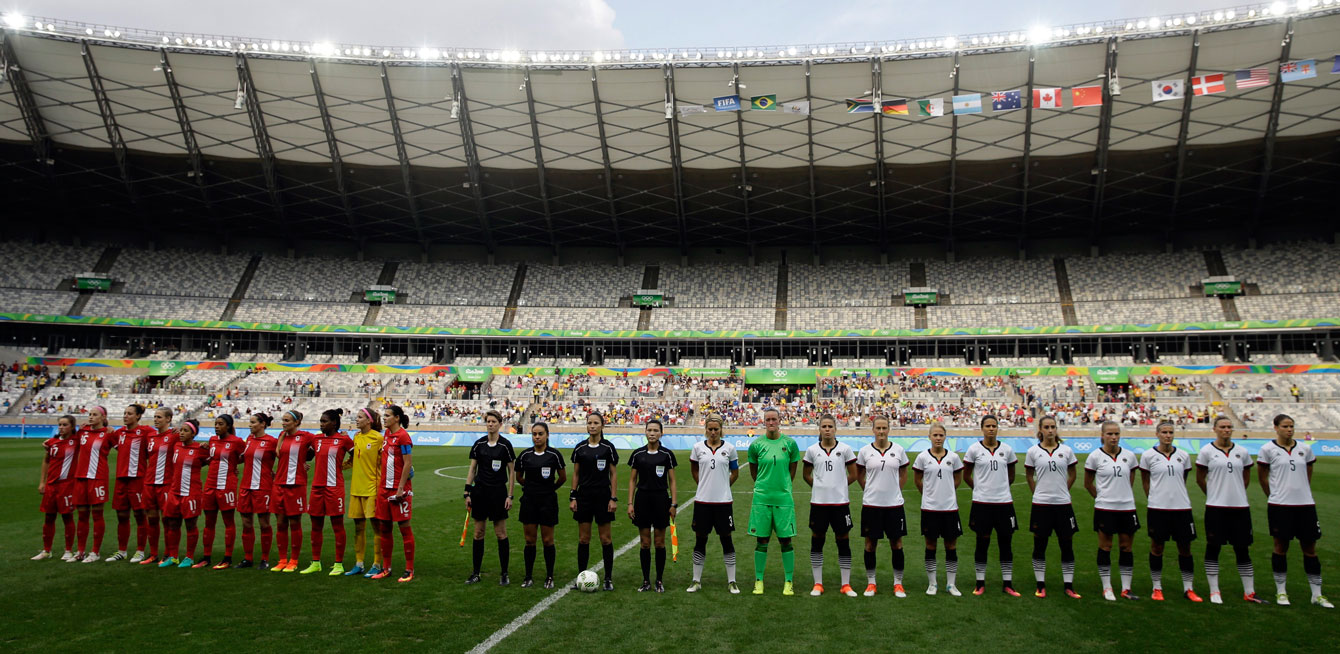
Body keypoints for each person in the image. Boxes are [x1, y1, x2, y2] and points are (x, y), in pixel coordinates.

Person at [1257, 413, 1331, 608]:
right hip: (1280, 507)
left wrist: (1302, 492)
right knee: (1281, 547)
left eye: (1291, 426)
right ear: (1276, 427)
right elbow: (1262, 477)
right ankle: (1281, 592)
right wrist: (1273, 497)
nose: (1289, 429)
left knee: (1310, 549)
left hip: (1305, 506)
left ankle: (1317, 594)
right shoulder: (1267, 449)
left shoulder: (1305, 449)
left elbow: (1308, 473)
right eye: (1285, 426)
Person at [1196, 416, 1264, 604]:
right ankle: (1214, 590)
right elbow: (1200, 478)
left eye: (1229, 427)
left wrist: (1238, 493)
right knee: (1213, 547)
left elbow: (1246, 476)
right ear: (1215, 429)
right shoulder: (1206, 451)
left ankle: (1249, 591)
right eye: (1223, 427)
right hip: (1216, 508)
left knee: (1242, 549)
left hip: (1240, 508)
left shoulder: (1242, 451)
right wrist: (1213, 495)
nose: (1226, 430)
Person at [1138, 420, 1202, 602]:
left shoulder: (1183, 455)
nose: (1168, 435)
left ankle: (1189, 588)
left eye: (1170, 432)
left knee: (1185, 548)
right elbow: (1145, 481)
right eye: (1164, 432)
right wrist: (1153, 498)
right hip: (1158, 508)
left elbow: (1184, 477)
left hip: (1182, 508)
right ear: (1157, 434)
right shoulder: (1148, 456)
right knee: (1157, 547)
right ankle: (1157, 587)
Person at [1024, 415, 1081, 599]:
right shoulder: (1033, 451)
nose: (1050, 430)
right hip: (1041, 505)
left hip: (1063, 505)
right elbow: (1029, 475)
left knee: (1067, 544)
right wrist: (1037, 493)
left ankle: (1069, 585)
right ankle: (1040, 585)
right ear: (1040, 429)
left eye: (1053, 427)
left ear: (1056, 429)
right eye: (1046, 427)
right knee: (1040, 544)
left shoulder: (1066, 450)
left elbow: (1073, 474)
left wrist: (1064, 489)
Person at [747, 407, 802, 596]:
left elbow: (792, 470)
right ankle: (759, 580)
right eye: (768, 419)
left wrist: (783, 486)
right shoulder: (756, 445)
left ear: (780, 421)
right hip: (762, 499)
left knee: (785, 541)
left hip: (783, 499)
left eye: (774, 419)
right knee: (761, 540)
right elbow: (754, 472)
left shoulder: (790, 444)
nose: (771, 422)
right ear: (764, 421)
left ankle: (788, 581)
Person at [962, 414, 1020, 596]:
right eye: (987, 425)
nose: (991, 429)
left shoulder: (1007, 450)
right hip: (982, 504)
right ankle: (980, 582)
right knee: (982, 542)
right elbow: (966, 475)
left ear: (997, 428)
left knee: (1006, 543)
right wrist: (979, 489)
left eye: (994, 425)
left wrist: (1001, 489)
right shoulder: (973, 450)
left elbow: (1011, 475)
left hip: (1004, 503)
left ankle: (1008, 583)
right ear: (982, 428)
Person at [1084, 420, 1141, 601]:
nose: (1113, 437)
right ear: (1102, 435)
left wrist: (1123, 495)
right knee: (1106, 546)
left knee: (1126, 547)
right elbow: (1088, 483)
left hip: (1127, 508)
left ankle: (1126, 588)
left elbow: (1131, 477)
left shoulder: (1130, 456)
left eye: (1116, 434)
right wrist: (1102, 498)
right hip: (1105, 508)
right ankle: (1107, 587)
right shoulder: (1095, 456)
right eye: (1109, 434)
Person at [802, 414, 857, 597]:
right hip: (819, 505)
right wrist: (819, 487)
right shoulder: (811, 450)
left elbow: (854, 474)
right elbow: (806, 474)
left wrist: (839, 487)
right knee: (817, 540)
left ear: (835, 429)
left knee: (843, 540)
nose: (827, 429)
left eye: (830, 426)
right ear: (819, 429)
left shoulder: (846, 449)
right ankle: (818, 583)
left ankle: (846, 584)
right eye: (824, 426)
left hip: (840, 504)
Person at [856, 414, 910, 597]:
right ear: (873, 430)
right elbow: (859, 474)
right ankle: (871, 583)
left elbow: (904, 473)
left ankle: (898, 583)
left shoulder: (899, 450)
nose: (881, 431)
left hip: (894, 506)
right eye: (877, 428)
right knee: (870, 544)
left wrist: (896, 491)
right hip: (872, 506)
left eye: (884, 428)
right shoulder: (864, 451)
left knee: (897, 543)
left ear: (888, 429)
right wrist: (870, 490)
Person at [687, 414, 740, 594]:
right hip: (702, 502)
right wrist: (703, 485)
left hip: (723, 503)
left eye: (716, 429)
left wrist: (724, 486)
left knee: (726, 539)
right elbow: (694, 469)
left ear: (721, 430)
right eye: (710, 429)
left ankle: (732, 581)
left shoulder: (730, 448)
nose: (713, 432)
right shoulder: (697, 448)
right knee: (700, 539)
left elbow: (735, 472)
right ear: (706, 429)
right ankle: (696, 580)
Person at [464, 410, 517, 585]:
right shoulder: (479, 444)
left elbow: (511, 472)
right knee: (478, 533)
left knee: (500, 533)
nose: (491, 424)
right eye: (488, 421)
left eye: (494, 421)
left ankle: (504, 573)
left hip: (498, 493)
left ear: (500, 424)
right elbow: (472, 469)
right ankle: (476, 572)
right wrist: (467, 492)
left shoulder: (505, 445)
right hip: (480, 492)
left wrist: (510, 495)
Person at [913, 422, 964, 596]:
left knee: (951, 545)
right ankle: (932, 583)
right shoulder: (922, 458)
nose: (938, 438)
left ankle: (951, 584)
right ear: (929, 437)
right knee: (930, 545)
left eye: (941, 435)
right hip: (930, 509)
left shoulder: (954, 457)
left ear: (945, 437)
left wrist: (948, 492)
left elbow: (958, 478)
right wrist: (929, 494)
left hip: (950, 509)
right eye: (934, 435)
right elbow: (918, 480)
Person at [628, 419, 679, 592]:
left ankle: (659, 580)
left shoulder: (667, 455)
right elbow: (632, 480)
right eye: (649, 430)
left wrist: (673, 503)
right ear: (645, 432)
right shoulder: (637, 454)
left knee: (659, 542)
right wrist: (630, 503)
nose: (652, 433)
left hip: (661, 500)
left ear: (661, 433)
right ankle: (645, 581)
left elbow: (672, 480)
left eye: (656, 430)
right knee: (644, 543)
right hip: (642, 499)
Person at [569, 412, 619, 591]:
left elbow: (613, 474)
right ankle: (581, 576)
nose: (592, 426)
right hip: (584, 497)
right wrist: (573, 496)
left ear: (602, 426)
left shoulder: (608, 448)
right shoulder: (580, 448)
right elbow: (575, 474)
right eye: (589, 423)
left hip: (603, 496)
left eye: (596, 423)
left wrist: (613, 498)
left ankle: (608, 578)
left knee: (605, 539)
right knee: (584, 539)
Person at [304, 409, 355, 575]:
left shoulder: (344, 439)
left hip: (334, 487)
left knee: (337, 525)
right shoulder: (316, 439)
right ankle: (316, 562)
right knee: (316, 525)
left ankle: (338, 564)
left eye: (324, 421)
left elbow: (356, 456)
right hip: (317, 487)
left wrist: (346, 465)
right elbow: (309, 457)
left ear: (334, 422)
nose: (321, 424)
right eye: (320, 421)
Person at [516, 421, 566, 588]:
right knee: (530, 540)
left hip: (548, 502)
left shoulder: (554, 455)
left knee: (547, 541)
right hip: (529, 501)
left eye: (540, 434)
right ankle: (528, 576)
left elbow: (562, 477)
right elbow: (519, 477)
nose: (537, 437)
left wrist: (549, 489)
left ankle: (549, 576)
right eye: (534, 434)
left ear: (547, 435)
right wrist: (531, 488)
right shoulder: (524, 456)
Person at [372, 404, 415, 582]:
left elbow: (407, 463)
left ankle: (409, 569)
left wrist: (400, 488)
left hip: (399, 490)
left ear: (397, 418)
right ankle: (386, 568)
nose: (384, 418)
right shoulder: (387, 434)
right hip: (384, 489)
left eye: (388, 415)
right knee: (384, 528)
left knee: (404, 528)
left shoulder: (403, 437)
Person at [158, 420, 209, 568]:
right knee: (172, 523)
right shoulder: (177, 446)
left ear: (193, 434)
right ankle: (173, 556)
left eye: (186, 431)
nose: (181, 433)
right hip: (175, 491)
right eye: (181, 430)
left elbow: (214, 461)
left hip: (191, 492)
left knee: (190, 525)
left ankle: (189, 557)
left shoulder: (200, 448)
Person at [107, 404, 154, 563]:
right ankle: (122, 550)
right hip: (121, 479)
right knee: (121, 515)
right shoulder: (119, 433)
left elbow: (161, 438)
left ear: (138, 416)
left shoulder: (146, 432)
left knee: (140, 515)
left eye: (129, 413)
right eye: (124, 413)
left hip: (138, 479)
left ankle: (140, 551)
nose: (125, 416)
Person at [197, 415, 244, 569]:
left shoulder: (236, 442)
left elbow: (244, 457)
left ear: (229, 426)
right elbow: (212, 459)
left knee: (228, 522)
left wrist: (232, 465)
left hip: (226, 486)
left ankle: (227, 558)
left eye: (221, 424)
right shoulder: (212, 440)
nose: (217, 426)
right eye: (215, 424)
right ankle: (206, 557)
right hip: (210, 485)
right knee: (208, 522)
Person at [271, 410, 315, 573]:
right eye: (283, 420)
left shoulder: (306, 437)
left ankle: (294, 560)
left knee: (294, 523)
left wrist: (304, 461)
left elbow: (318, 448)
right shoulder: (282, 436)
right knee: (281, 522)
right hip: (279, 484)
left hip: (296, 485)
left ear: (296, 422)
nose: (283, 422)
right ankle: (282, 559)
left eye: (287, 420)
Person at [33, 415, 79, 561]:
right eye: (59, 424)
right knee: (48, 517)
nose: (61, 427)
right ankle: (47, 550)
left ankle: (68, 550)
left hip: (67, 485)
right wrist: (42, 482)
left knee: (67, 517)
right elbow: (46, 461)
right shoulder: (51, 443)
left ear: (72, 427)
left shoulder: (76, 441)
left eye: (65, 425)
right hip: (51, 486)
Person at [71, 406, 112, 563]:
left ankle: (95, 552)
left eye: (95, 415)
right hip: (81, 477)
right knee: (81, 515)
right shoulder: (83, 432)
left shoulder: (109, 434)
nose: (91, 417)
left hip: (98, 478)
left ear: (103, 417)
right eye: (90, 414)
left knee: (97, 515)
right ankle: (80, 551)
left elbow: (123, 448)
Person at [345, 408, 384, 577]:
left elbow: (384, 463)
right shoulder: (356, 437)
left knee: (377, 528)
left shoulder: (378, 438)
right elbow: (353, 461)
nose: (357, 419)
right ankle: (359, 563)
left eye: (360, 417)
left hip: (372, 489)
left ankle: (377, 563)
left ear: (369, 421)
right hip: (356, 488)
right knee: (358, 528)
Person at [236, 413, 277, 569]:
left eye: (253, 422)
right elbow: (242, 458)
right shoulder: (249, 440)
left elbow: (285, 457)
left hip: (263, 487)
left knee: (264, 523)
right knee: (246, 523)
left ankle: (264, 559)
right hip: (246, 486)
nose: (250, 425)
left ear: (262, 424)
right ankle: (248, 558)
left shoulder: (271, 442)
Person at [139, 408, 177, 566]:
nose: (156, 419)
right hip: (149, 483)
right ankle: (153, 553)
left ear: (169, 419)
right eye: (155, 417)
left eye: (159, 417)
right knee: (151, 518)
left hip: (166, 483)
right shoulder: (150, 436)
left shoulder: (174, 436)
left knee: (167, 519)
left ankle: (169, 554)